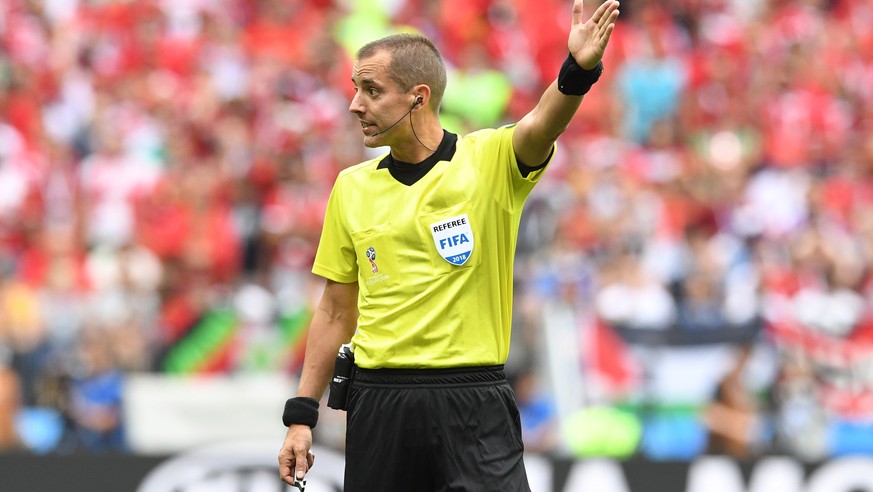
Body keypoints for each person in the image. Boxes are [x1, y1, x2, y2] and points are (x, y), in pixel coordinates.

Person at [278, 1, 620, 490]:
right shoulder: (350, 187)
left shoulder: (489, 161)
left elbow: (545, 121)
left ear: (418, 97)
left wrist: (578, 68)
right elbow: (335, 310)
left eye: (371, 90)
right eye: (356, 89)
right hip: (379, 402)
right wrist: (301, 416)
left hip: (473, 400)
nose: (356, 104)